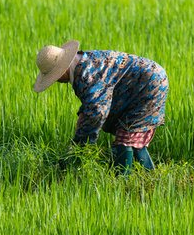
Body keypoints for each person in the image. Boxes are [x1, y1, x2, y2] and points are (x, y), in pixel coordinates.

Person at [33, 41, 168, 175]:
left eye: (55, 77)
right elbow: (96, 97)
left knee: (126, 137)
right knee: (132, 135)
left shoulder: (85, 74)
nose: (56, 81)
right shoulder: (83, 63)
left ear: (62, 70)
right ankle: (149, 176)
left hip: (148, 85)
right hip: (145, 81)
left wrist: (81, 145)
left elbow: (97, 111)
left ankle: (121, 180)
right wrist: (83, 116)